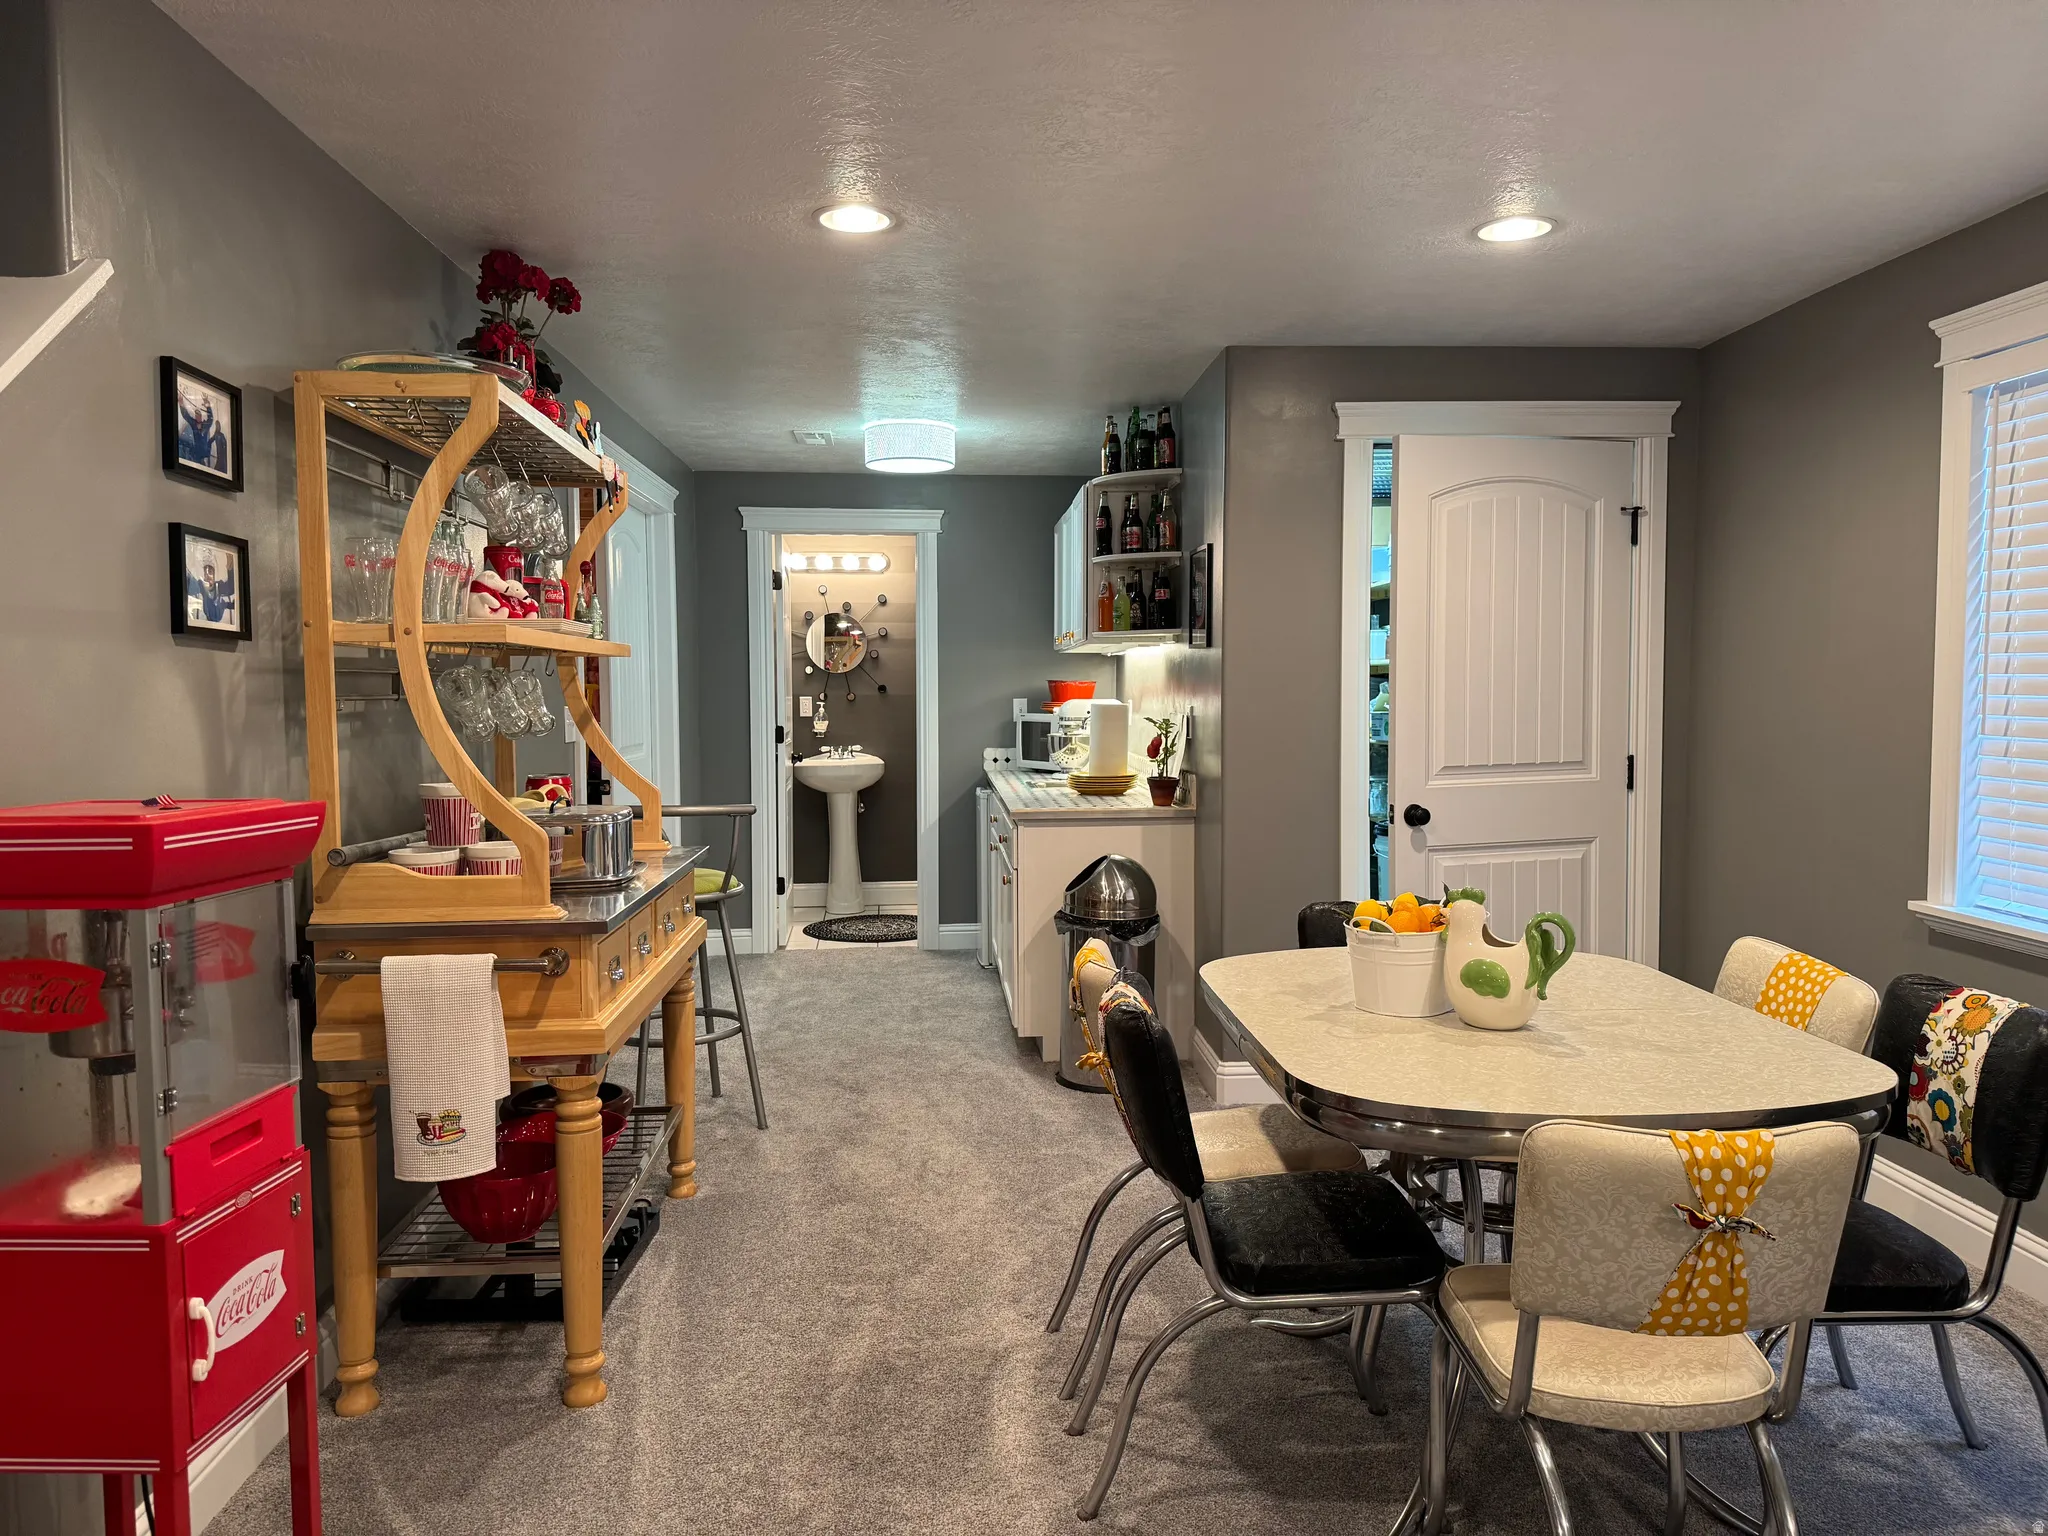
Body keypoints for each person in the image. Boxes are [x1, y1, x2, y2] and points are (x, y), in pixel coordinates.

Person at [178, 388, 228, 473]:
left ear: (201, 416)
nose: (198, 416)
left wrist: (208, 406)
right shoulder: (194, 424)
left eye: (199, 414)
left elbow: (211, 418)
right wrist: (181, 403)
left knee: (204, 469)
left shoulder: (205, 425)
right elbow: (185, 415)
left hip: (204, 451)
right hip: (197, 452)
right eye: (196, 414)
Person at [186, 555, 237, 626]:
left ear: (214, 575)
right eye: (205, 573)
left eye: (210, 572)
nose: (207, 575)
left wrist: (230, 568)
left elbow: (231, 588)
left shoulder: (219, 586)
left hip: (218, 613)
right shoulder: (200, 586)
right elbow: (189, 584)